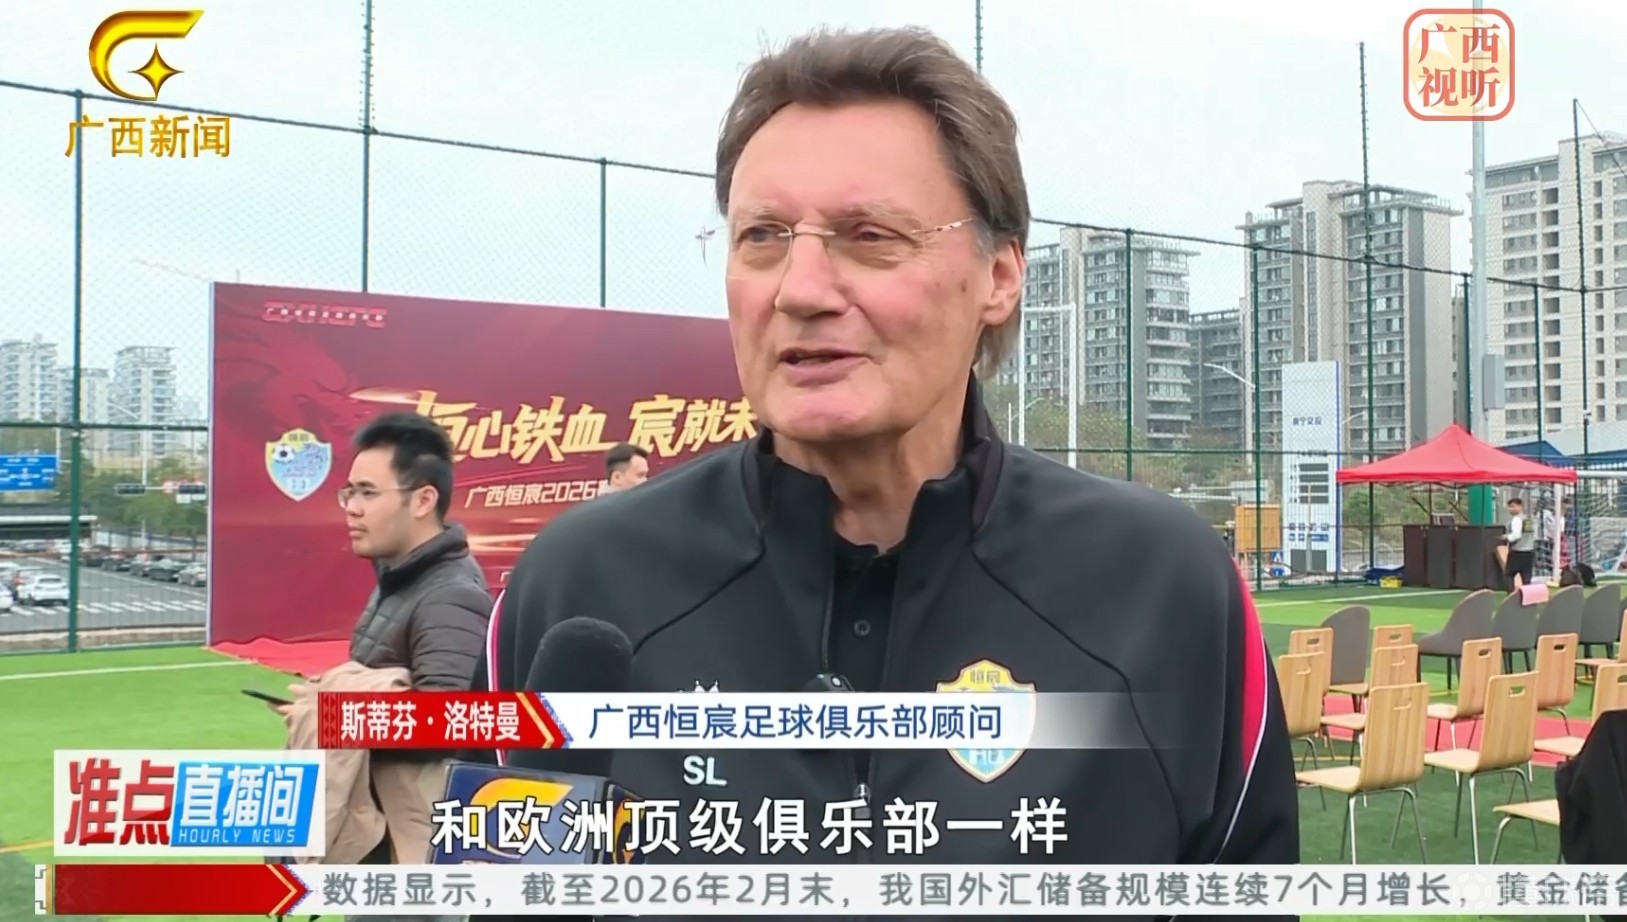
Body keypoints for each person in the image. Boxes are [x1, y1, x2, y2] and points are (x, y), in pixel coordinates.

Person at [484, 26, 1298, 873]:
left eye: (869, 234)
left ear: (998, 277)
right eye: (762, 236)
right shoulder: (577, 584)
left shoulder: (1162, 585)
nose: (799, 289)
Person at [279, 411, 490, 915]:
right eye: (349, 492)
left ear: (423, 500)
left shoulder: (450, 594)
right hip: (381, 842)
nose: (352, 508)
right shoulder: (402, 578)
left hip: (415, 856)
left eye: (368, 493)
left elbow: (448, 722)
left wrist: (332, 714)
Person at [1505, 496, 1536, 588]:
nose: (1510, 509)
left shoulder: (1516, 519)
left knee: (1509, 574)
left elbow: (1516, 535)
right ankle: (1527, 595)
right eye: (1509, 507)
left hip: (1517, 551)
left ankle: (1511, 594)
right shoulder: (1528, 519)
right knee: (1526, 577)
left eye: (1513, 506)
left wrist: (1507, 537)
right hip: (1529, 552)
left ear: (1520, 506)